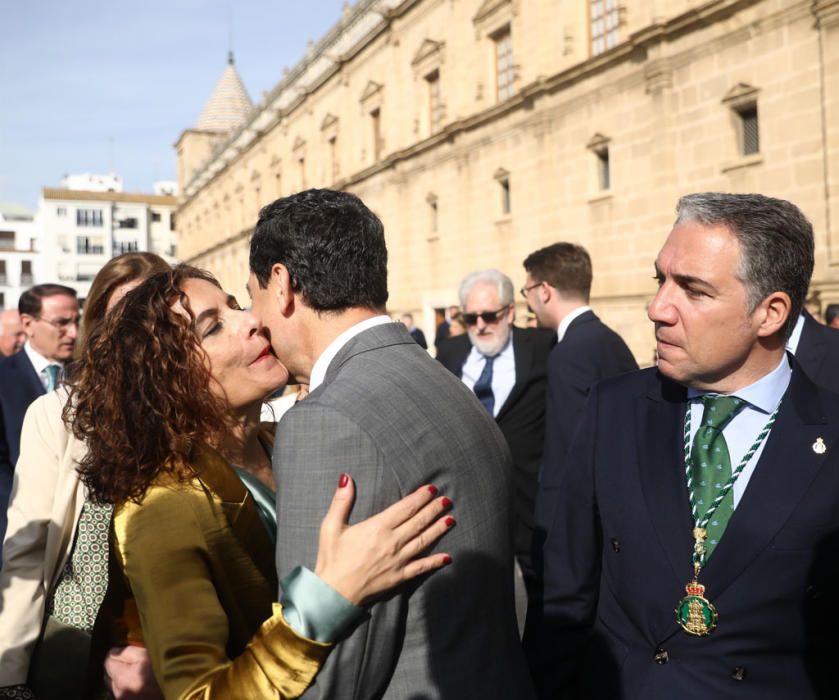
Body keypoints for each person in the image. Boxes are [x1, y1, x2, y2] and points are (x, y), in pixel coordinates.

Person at [68, 265, 454, 699]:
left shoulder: (288, 440)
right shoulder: (161, 507)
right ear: (168, 378)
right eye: (213, 327)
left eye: (235, 306)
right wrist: (325, 600)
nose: (251, 320)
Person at [527, 192, 839, 699]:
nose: (657, 309)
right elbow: (566, 595)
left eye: (692, 290)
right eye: (661, 280)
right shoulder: (614, 409)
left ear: (770, 312)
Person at [248, 189, 534, 698]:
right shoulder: (445, 381)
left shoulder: (326, 420)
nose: (256, 320)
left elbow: (327, 673)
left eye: (253, 297)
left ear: (281, 283)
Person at [0, 253, 172, 700]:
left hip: (189, 651)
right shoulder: (57, 414)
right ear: (100, 325)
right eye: (123, 314)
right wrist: (10, 676)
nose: (139, 329)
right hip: (81, 649)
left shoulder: (204, 412)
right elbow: (28, 548)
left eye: (154, 311)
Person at [437, 268, 554, 604]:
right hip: (468, 500)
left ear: (510, 312)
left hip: (529, 497)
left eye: (489, 315)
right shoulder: (450, 354)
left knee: (539, 592)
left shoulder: (543, 347)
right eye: (470, 318)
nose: (481, 325)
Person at [521, 242, 637, 535]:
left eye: (527, 292)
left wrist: (548, 528)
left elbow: (567, 453)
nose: (527, 302)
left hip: (580, 524)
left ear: (544, 290)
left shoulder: (568, 353)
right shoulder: (610, 341)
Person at [0, 284, 79, 553]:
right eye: (62, 323)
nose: (73, 333)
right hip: (18, 532)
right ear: (28, 323)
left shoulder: (92, 378)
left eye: (76, 321)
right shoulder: (3, 377)